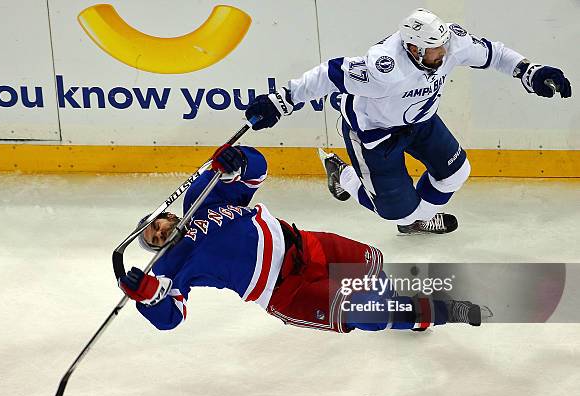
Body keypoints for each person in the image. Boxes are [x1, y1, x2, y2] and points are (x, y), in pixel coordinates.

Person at [244, 8, 572, 235]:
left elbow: (494, 54)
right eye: (434, 51)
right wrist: (283, 98)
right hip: (375, 134)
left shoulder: (449, 44)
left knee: (458, 172)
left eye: (443, 47)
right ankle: (342, 175)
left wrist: (529, 71)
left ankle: (419, 220)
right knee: (395, 213)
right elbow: (328, 74)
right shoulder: (384, 68)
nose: (442, 55)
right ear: (413, 47)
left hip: (422, 121)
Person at [118, 144, 491, 333]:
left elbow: (257, 169)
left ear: (168, 214)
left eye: (158, 224)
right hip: (286, 292)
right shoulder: (168, 267)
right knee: (365, 313)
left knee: (372, 263)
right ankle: (434, 313)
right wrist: (147, 297)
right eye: (153, 238)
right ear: (154, 248)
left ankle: (402, 305)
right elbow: (170, 317)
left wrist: (238, 161)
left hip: (304, 244)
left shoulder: (202, 196)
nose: (161, 232)